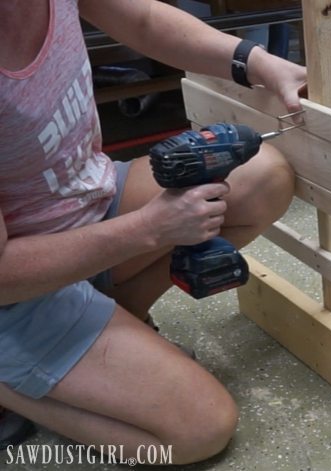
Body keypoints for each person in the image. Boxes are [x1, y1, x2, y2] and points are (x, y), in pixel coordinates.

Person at [0, 0, 306, 464]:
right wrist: (149, 228)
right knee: (199, 429)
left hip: (89, 205)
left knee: (261, 176)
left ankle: (115, 315)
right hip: (16, 290)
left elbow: (142, 19)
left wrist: (258, 63)